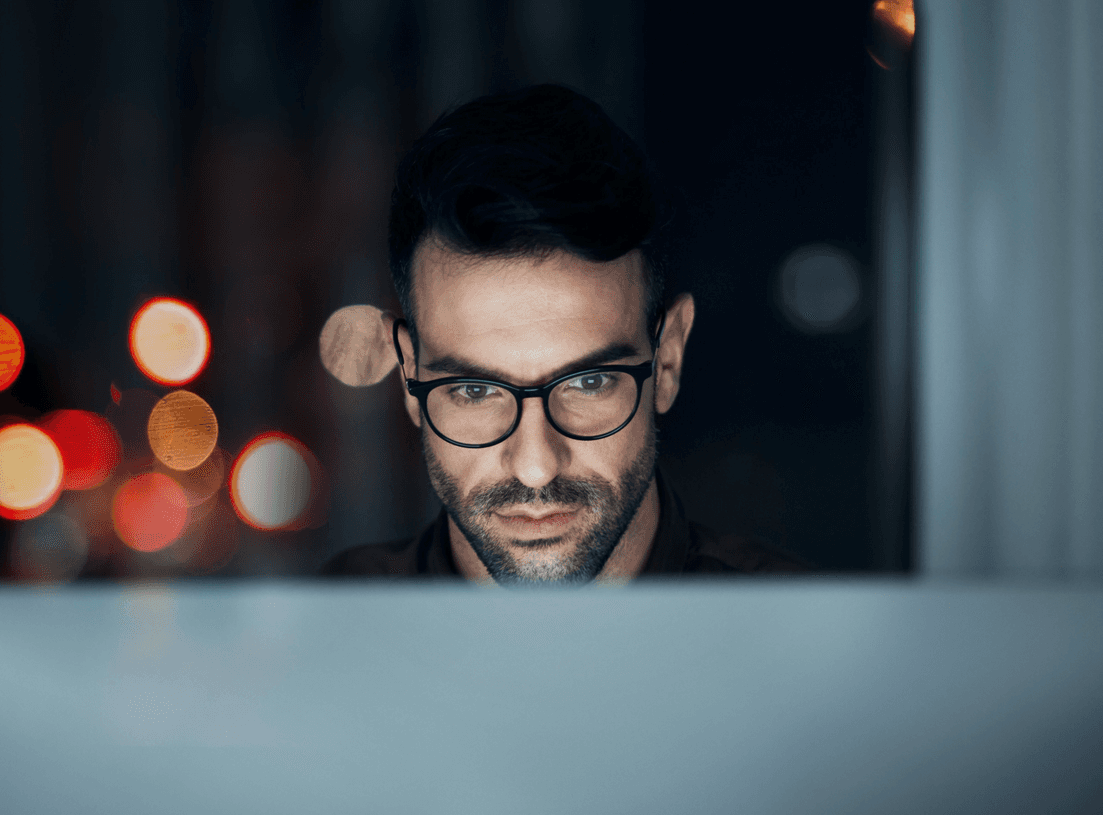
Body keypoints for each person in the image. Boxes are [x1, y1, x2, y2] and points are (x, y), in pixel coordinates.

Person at [324, 85, 805, 582]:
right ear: (408, 376)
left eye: (589, 382)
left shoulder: (796, 638)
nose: (536, 467)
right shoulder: (321, 636)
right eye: (475, 390)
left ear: (667, 361)